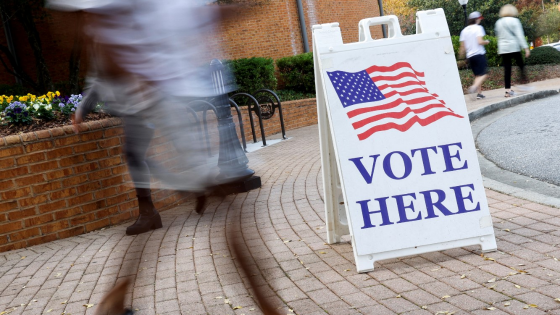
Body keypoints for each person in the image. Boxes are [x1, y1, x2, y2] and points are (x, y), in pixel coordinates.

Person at [495, 4, 531, 97]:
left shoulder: (498, 22)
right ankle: (523, 84)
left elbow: (498, 36)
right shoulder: (515, 21)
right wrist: (526, 48)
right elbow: (520, 35)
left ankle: (507, 91)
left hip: (503, 48)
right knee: (521, 65)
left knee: (507, 69)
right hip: (513, 46)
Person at [459, 11, 489, 100]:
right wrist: (486, 42)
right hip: (479, 54)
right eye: (479, 19)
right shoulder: (478, 28)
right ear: (476, 19)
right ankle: (473, 87)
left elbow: (462, 47)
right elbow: (480, 41)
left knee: (478, 75)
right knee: (484, 74)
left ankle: (479, 94)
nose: (480, 21)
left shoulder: (464, 30)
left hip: (470, 56)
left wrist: (461, 57)